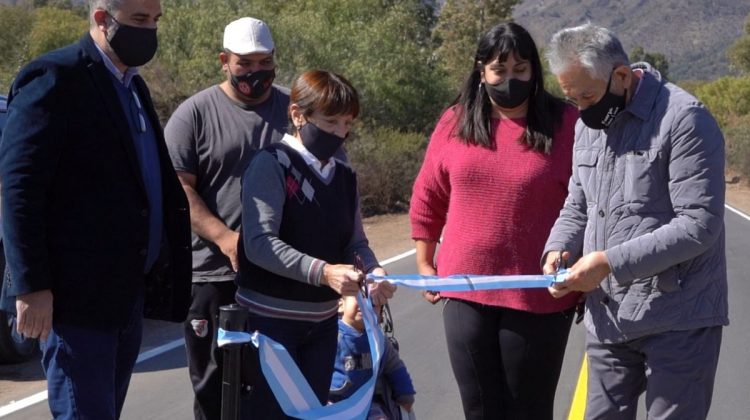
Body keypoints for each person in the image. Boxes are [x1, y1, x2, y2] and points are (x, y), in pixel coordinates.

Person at [0, 0, 192, 418]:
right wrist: (30, 286)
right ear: (103, 19)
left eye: (155, 20)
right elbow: (20, 189)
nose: (150, 31)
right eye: (139, 20)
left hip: (126, 297)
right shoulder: (56, 77)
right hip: (76, 300)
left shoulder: (132, 86)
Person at [542, 23, 728, 420]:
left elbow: (699, 224)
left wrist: (608, 262)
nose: (581, 108)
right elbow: (579, 201)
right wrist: (558, 248)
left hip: (679, 317)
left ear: (622, 76)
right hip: (609, 317)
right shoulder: (584, 127)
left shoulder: (684, 120)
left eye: (588, 96)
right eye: (571, 98)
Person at [409, 22, 580, 420]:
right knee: (480, 408)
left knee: (529, 410)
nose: (510, 80)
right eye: (499, 70)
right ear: (481, 71)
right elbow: (428, 196)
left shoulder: (567, 124)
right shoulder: (455, 122)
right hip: (465, 288)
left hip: (539, 292)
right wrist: (424, 262)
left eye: (520, 70)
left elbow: (589, 199)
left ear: (534, 71)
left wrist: (583, 265)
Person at [236, 69, 397, 418]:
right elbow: (259, 243)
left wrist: (373, 269)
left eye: (347, 122)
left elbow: (354, 241)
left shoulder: (344, 176)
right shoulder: (272, 164)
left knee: (314, 414)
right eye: (331, 121)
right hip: (269, 326)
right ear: (298, 115)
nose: (340, 132)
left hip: (323, 327)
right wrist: (323, 273)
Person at [164, 16, 289, 420]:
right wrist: (226, 239)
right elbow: (178, 190)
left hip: (284, 276)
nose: (256, 72)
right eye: (245, 63)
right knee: (215, 388)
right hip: (213, 276)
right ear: (224, 61)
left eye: (264, 61)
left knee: (279, 386)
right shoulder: (193, 115)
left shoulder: (297, 111)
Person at [330, 295, 416, 420]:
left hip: (370, 404)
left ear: (380, 314)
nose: (365, 304)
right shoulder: (332, 338)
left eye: (372, 302)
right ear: (340, 305)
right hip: (337, 404)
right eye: (357, 298)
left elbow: (395, 367)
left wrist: (405, 394)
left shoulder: (379, 340)